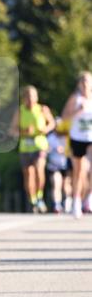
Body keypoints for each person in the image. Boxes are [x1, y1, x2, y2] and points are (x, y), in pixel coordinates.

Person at [9, 85, 55, 213]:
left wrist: (44, 129)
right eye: (27, 96)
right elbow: (12, 130)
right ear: (23, 98)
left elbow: (52, 123)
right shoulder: (20, 111)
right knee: (29, 174)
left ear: (36, 97)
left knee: (39, 170)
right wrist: (24, 131)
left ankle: (39, 196)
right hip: (25, 147)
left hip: (40, 145)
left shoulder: (42, 109)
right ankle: (33, 199)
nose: (30, 99)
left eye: (32, 96)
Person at [60, 70, 92, 218]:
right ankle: (77, 202)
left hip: (90, 137)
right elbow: (64, 117)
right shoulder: (75, 99)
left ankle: (89, 198)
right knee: (78, 171)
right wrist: (77, 111)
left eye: (88, 81)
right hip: (77, 138)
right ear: (79, 84)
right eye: (83, 81)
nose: (85, 84)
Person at [46, 122, 71, 215]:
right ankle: (57, 205)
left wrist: (65, 151)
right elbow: (46, 149)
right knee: (56, 184)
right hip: (54, 165)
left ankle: (68, 202)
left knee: (66, 185)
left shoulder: (67, 137)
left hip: (65, 165)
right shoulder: (50, 138)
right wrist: (51, 149)